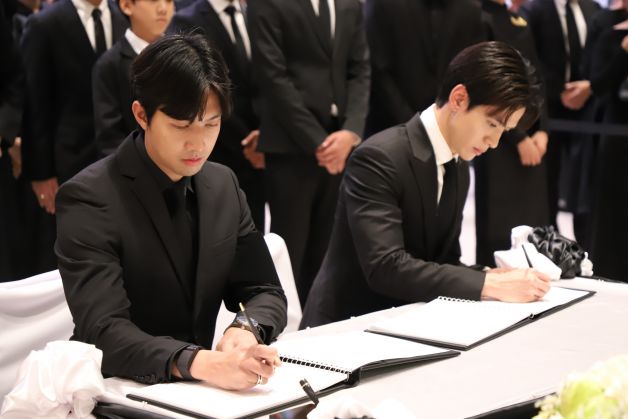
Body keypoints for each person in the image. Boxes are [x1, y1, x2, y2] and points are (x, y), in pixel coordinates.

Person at [55, 34, 287, 389]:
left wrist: (245, 328)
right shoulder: (89, 198)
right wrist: (199, 362)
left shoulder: (222, 184)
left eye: (211, 124)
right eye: (181, 125)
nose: (198, 143)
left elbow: (266, 290)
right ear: (141, 115)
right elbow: (103, 331)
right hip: (119, 390)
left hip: (200, 390)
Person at [300, 41, 550, 328]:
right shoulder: (379, 158)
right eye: (492, 125)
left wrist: (490, 275)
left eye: (503, 131)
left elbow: (443, 260)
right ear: (459, 99)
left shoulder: (459, 165)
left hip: (406, 321)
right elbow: (386, 267)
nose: (494, 142)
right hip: (344, 328)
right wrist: (487, 284)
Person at [248, 0, 370, 306]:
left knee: (329, 251)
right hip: (291, 147)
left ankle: (320, 320)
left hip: (340, 141)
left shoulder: (350, 4)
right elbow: (272, 76)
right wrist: (319, 143)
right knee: (289, 251)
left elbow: (360, 68)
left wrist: (351, 132)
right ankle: (279, 322)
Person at [20, 0, 127, 215]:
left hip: (119, 159)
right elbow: (34, 104)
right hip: (67, 161)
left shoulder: (125, 17)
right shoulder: (44, 23)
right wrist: (41, 172)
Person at [168, 0, 266, 230]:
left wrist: (265, 134)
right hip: (215, 151)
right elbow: (198, 93)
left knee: (254, 232)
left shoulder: (258, 13)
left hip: (261, 152)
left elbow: (271, 78)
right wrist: (245, 142)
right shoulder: (186, 20)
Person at [474, 0, 549, 266]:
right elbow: (487, 87)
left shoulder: (518, 19)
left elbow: (537, 79)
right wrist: (518, 138)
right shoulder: (478, 17)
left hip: (533, 135)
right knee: (498, 223)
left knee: (534, 222)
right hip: (497, 139)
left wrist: (543, 130)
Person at [520, 0, 600, 249]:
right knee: (548, 185)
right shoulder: (535, 10)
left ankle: (586, 248)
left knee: (584, 184)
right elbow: (530, 61)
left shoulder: (592, 9)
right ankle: (550, 247)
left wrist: (588, 89)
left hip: (587, 111)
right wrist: (556, 93)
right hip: (548, 111)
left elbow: (596, 57)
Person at [363, 0, 487, 137]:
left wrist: (447, 117)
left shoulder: (470, 10)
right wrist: (413, 123)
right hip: (388, 127)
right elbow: (378, 70)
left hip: (449, 128)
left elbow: (473, 69)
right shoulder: (383, 4)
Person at [92, 0, 174, 157]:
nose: (163, 8)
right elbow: (110, 138)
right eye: (153, 0)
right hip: (134, 164)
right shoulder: (109, 65)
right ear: (127, 5)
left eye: (169, 1)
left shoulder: (182, 54)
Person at [590, 10, 628, 281]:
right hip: (616, 137)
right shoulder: (610, 35)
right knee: (613, 212)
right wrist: (623, 53)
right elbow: (598, 85)